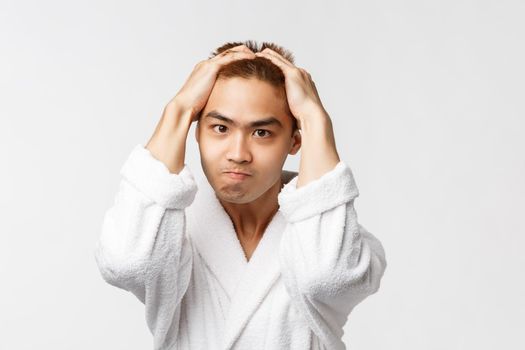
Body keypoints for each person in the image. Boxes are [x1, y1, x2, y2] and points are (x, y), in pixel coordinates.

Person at [94, 40, 387, 350]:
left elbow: (328, 276)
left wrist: (316, 120)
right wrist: (178, 109)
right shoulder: (169, 231)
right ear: (196, 131)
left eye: (261, 133)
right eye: (220, 128)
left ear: (295, 141)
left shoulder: (337, 240)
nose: (238, 153)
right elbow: (127, 262)